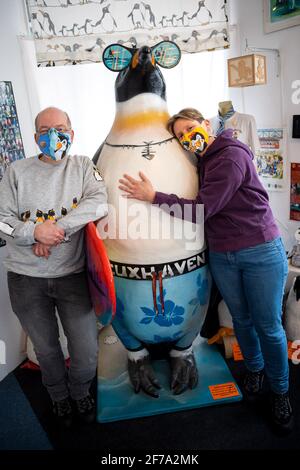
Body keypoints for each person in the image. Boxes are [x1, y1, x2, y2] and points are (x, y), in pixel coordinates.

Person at [118, 107, 293, 434]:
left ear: (205, 123)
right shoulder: (203, 160)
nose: (187, 137)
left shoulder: (230, 157)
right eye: (181, 135)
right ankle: (254, 371)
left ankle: (281, 390)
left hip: (259, 251)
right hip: (224, 254)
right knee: (241, 319)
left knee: (268, 325)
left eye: (190, 128)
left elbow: (203, 209)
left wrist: (153, 196)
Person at [0, 107, 108, 427]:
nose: (53, 135)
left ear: (71, 133)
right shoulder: (15, 172)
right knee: (46, 350)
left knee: (87, 351)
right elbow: (2, 222)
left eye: (60, 128)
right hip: (25, 279)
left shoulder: (83, 166)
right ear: (35, 138)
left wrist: (54, 230)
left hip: (72, 276)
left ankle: (79, 391)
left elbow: (99, 202)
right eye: (45, 130)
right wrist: (33, 232)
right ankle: (59, 397)